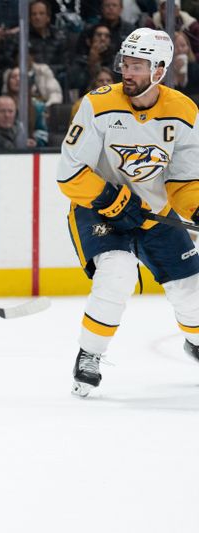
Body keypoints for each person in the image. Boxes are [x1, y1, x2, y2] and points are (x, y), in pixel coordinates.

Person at [56, 28, 199, 397]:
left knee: (192, 292)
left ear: (159, 71)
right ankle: (89, 354)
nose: (127, 72)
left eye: (138, 66)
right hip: (98, 209)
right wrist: (112, 200)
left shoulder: (183, 112)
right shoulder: (98, 104)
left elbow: (183, 180)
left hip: (154, 212)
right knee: (117, 272)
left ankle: (196, 341)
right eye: (126, 63)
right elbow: (70, 174)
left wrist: (196, 207)